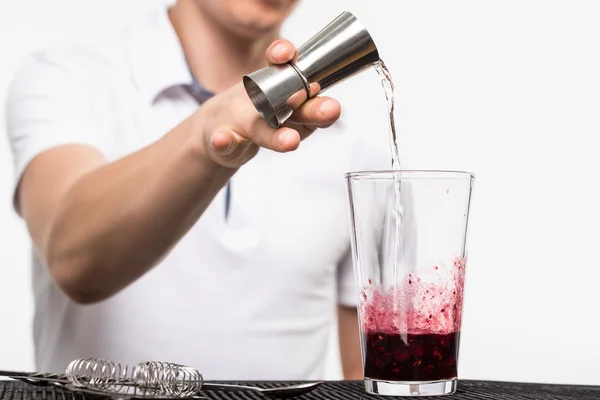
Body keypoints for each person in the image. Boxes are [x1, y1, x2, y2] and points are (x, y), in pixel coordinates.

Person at [5, 0, 390, 379]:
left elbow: (368, 378)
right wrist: (208, 132)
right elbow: (74, 262)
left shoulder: (352, 152)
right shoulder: (66, 81)